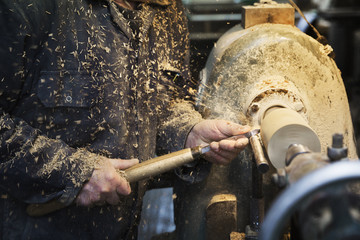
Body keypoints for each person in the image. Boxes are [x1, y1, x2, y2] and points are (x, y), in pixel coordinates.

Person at [0, 0, 250, 239]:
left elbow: (164, 101)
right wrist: (72, 172)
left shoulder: (167, 10)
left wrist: (188, 131)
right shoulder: (30, 8)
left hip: (126, 228)